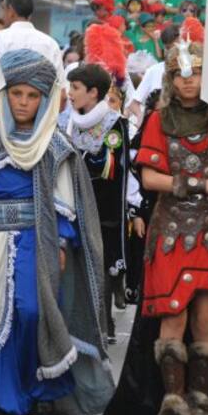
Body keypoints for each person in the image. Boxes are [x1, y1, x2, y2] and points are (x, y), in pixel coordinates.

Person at [0, 49, 113, 415]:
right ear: (4, 95)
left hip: (38, 240)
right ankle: (3, 401)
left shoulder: (53, 143)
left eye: (32, 95)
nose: (23, 102)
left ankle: (43, 393)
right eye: (16, 93)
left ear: (44, 99)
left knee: (34, 311)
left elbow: (64, 200)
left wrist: (63, 242)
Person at [108, 31, 208, 415]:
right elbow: (150, 179)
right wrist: (203, 185)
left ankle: (201, 399)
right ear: (171, 79)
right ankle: (172, 402)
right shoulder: (158, 120)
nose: (188, 81)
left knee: (206, 319)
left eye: (195, 74)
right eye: (180, 74)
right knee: (172, 315)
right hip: (171, 230)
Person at [62, 61, 130, 345]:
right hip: (70, 206)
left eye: (75, 87)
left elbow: (112, 171)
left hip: (102, 211)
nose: (69, 93)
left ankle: (102, 324)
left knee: (100, 268)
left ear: (93, 92)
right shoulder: (65, 122)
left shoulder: (116, 124)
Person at [0, 0, 66, 87]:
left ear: (11, 11)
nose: (1, 15)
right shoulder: (50, 43)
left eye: (3, 8)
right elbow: (61, 87)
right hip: (44, 96)